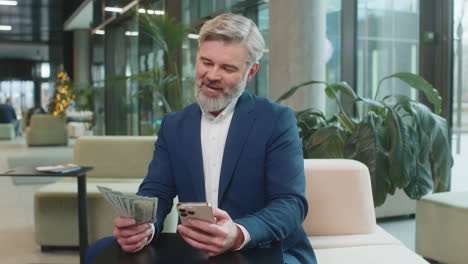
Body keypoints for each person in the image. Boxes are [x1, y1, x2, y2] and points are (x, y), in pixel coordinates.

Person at [87, 13, 316, 264]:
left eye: (228, 68)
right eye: (206, 62)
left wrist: (239, 233)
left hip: (263, 248)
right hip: (196, 249)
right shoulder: (174, 125)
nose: (212, 75)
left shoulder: (276, 120)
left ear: (251, 72)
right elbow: (157, 191)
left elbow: (290, 203)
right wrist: (144, 227)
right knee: (100, 251)